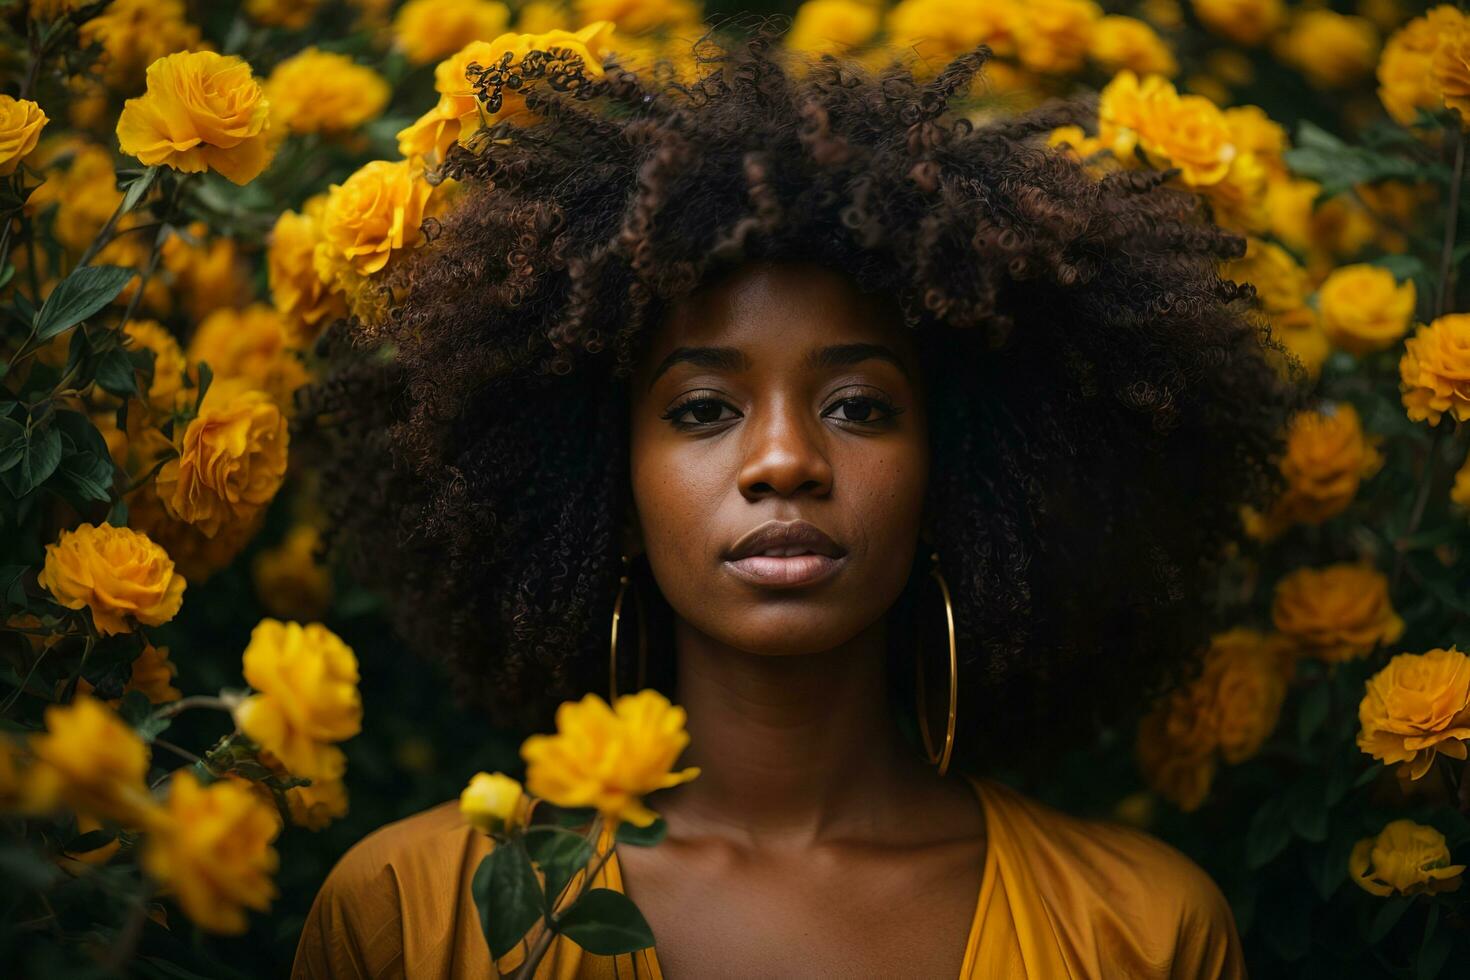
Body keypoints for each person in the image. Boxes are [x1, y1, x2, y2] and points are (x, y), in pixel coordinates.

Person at [292, 20, 1300, 979]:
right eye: (701, 408)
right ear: (605, 484)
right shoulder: (411, 915)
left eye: (859, 406)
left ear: (961, 471)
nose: (784, 459)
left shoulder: (1142, 930)